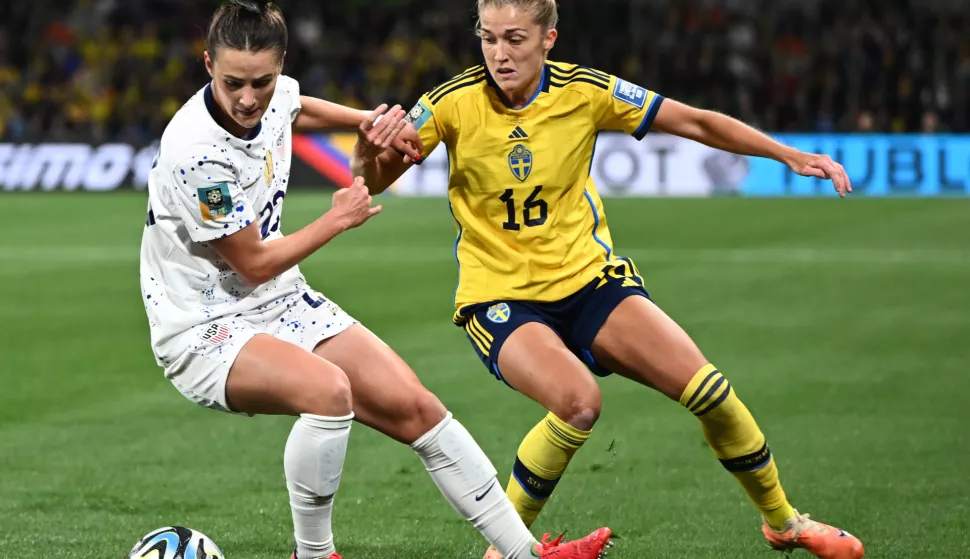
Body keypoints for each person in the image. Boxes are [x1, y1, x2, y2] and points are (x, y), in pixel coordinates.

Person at [350, 1, 865, 558]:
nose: (500, 54)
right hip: (501, 298)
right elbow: (377, 178)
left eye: (516, 39)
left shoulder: (586, 91)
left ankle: (784, 523)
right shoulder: (451, 103)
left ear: (549, 38)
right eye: (489, 38)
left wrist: (785, 154)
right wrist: (367, 156)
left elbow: (692, 120)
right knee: (578, 402)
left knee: (710, 392)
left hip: (590, 284)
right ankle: (503, 550)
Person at [138, 2, 614, 559]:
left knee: (418, 407)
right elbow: (254, 263)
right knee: (329, 393)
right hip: (202, 326)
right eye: (233, 83)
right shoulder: (196, 154)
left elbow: (292, 109)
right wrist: (338, 217)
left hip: (278, 300)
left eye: (262, 81)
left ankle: (525, 554)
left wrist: (364, 120)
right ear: (206, 66)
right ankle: (314, 555)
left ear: (280, 65)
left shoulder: (273, 95)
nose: (248, 98)